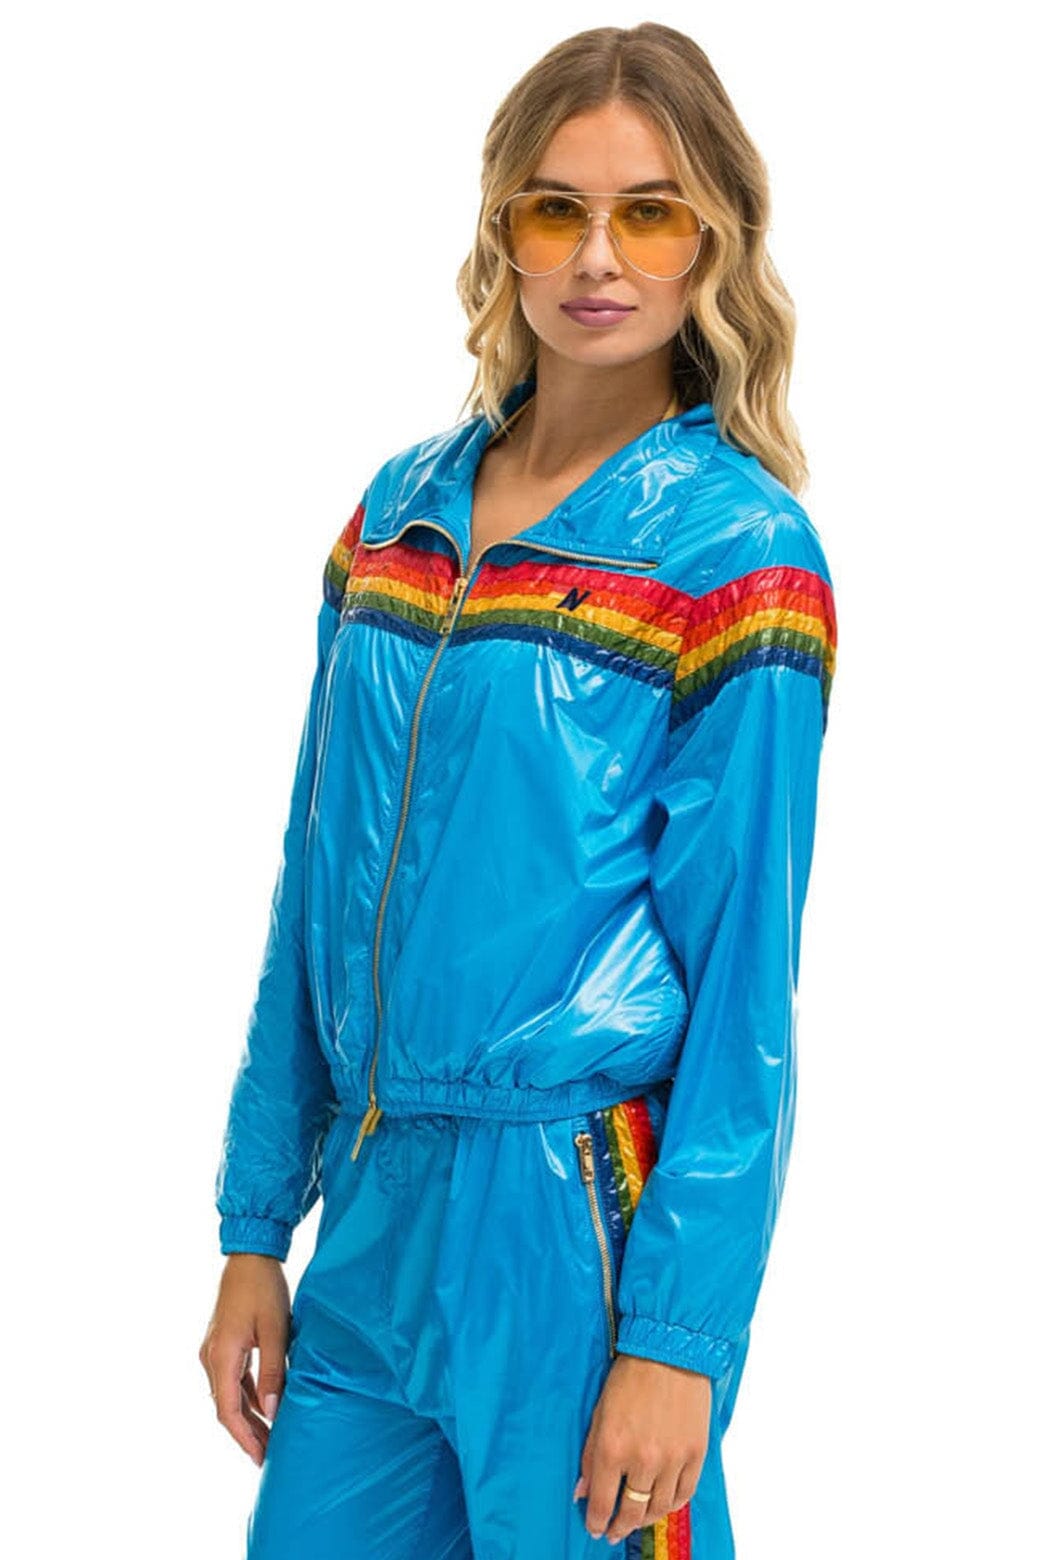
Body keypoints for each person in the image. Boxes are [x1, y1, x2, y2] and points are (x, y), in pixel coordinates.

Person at [198, 21, 838, 1559]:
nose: (598, 257)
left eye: (650, 213)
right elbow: (309, 889)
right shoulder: (395, 518)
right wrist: (253, 1226)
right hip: (371, 1211)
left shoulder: (738, 555)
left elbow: (744, 984)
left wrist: (678, 1336)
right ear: (505, 231)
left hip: (572, 1224)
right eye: (558, 209)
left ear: (712, 242)